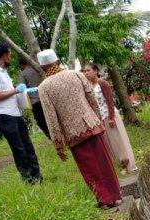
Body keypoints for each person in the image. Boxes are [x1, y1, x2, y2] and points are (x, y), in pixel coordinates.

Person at [34, 49, 122, 208]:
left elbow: (51, 118)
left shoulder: (44, 87)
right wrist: (96, 119)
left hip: (72, 133)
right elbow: (92, 98)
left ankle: (104, 200)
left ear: (42, 67)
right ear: (58, 62)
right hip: (92, 125)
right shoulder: (76, 74)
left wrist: (57, 143)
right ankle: (116, 196)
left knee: (89, 168)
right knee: (104, 163)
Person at [0, 42, 42, 184]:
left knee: (27, 145)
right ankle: (29, 181)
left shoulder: (3, 71)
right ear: (5, 56)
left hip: (14, 114)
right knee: (19, 149)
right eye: (9, 54)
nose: (11, 57)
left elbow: (9, 93)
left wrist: (25, 92)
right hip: (3, 116)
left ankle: (37, 177)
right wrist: (16, 90)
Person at [82, 63, 138, 174]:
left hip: (109, 116)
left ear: (95, 71)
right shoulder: (88, 87)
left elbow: (109, 101)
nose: (86, 73)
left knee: (119, 140)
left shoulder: (102, 83)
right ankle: (121, 166)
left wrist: (111, 117)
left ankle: (130, 165)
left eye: (88, 70)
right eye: (84, 71)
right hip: (100, 119)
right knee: (110, 144)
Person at [18, 57, 50, 139]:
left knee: (40, 120)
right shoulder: (39, 69)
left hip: (35, 101)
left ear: (22, 65)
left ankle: (50, 135)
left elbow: (22, 88)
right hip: (46, 97)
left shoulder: (23, 73)